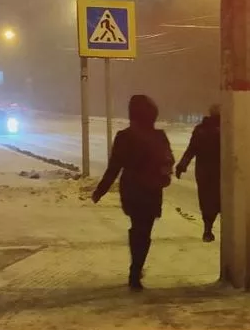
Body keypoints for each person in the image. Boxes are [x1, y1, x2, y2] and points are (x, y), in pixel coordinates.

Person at [92, 95, 174, 292]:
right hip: (152, 189)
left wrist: (101, 190)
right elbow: (168, 160)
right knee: (145, 230)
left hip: (131, 188)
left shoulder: (124, 136)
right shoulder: (159, 136)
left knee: (137, 226)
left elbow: (114, 166)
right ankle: (136, 269)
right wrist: (164, 175)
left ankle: (135, 269)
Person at [176, 104, 222, 242]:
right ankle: (218, 230)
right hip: (222, 172)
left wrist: (182, 165)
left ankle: (208, 229)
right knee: (222, 201)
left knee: (206, 201)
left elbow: (191, 149)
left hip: (204, 172)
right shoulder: (228, 129)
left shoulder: (201, 129)